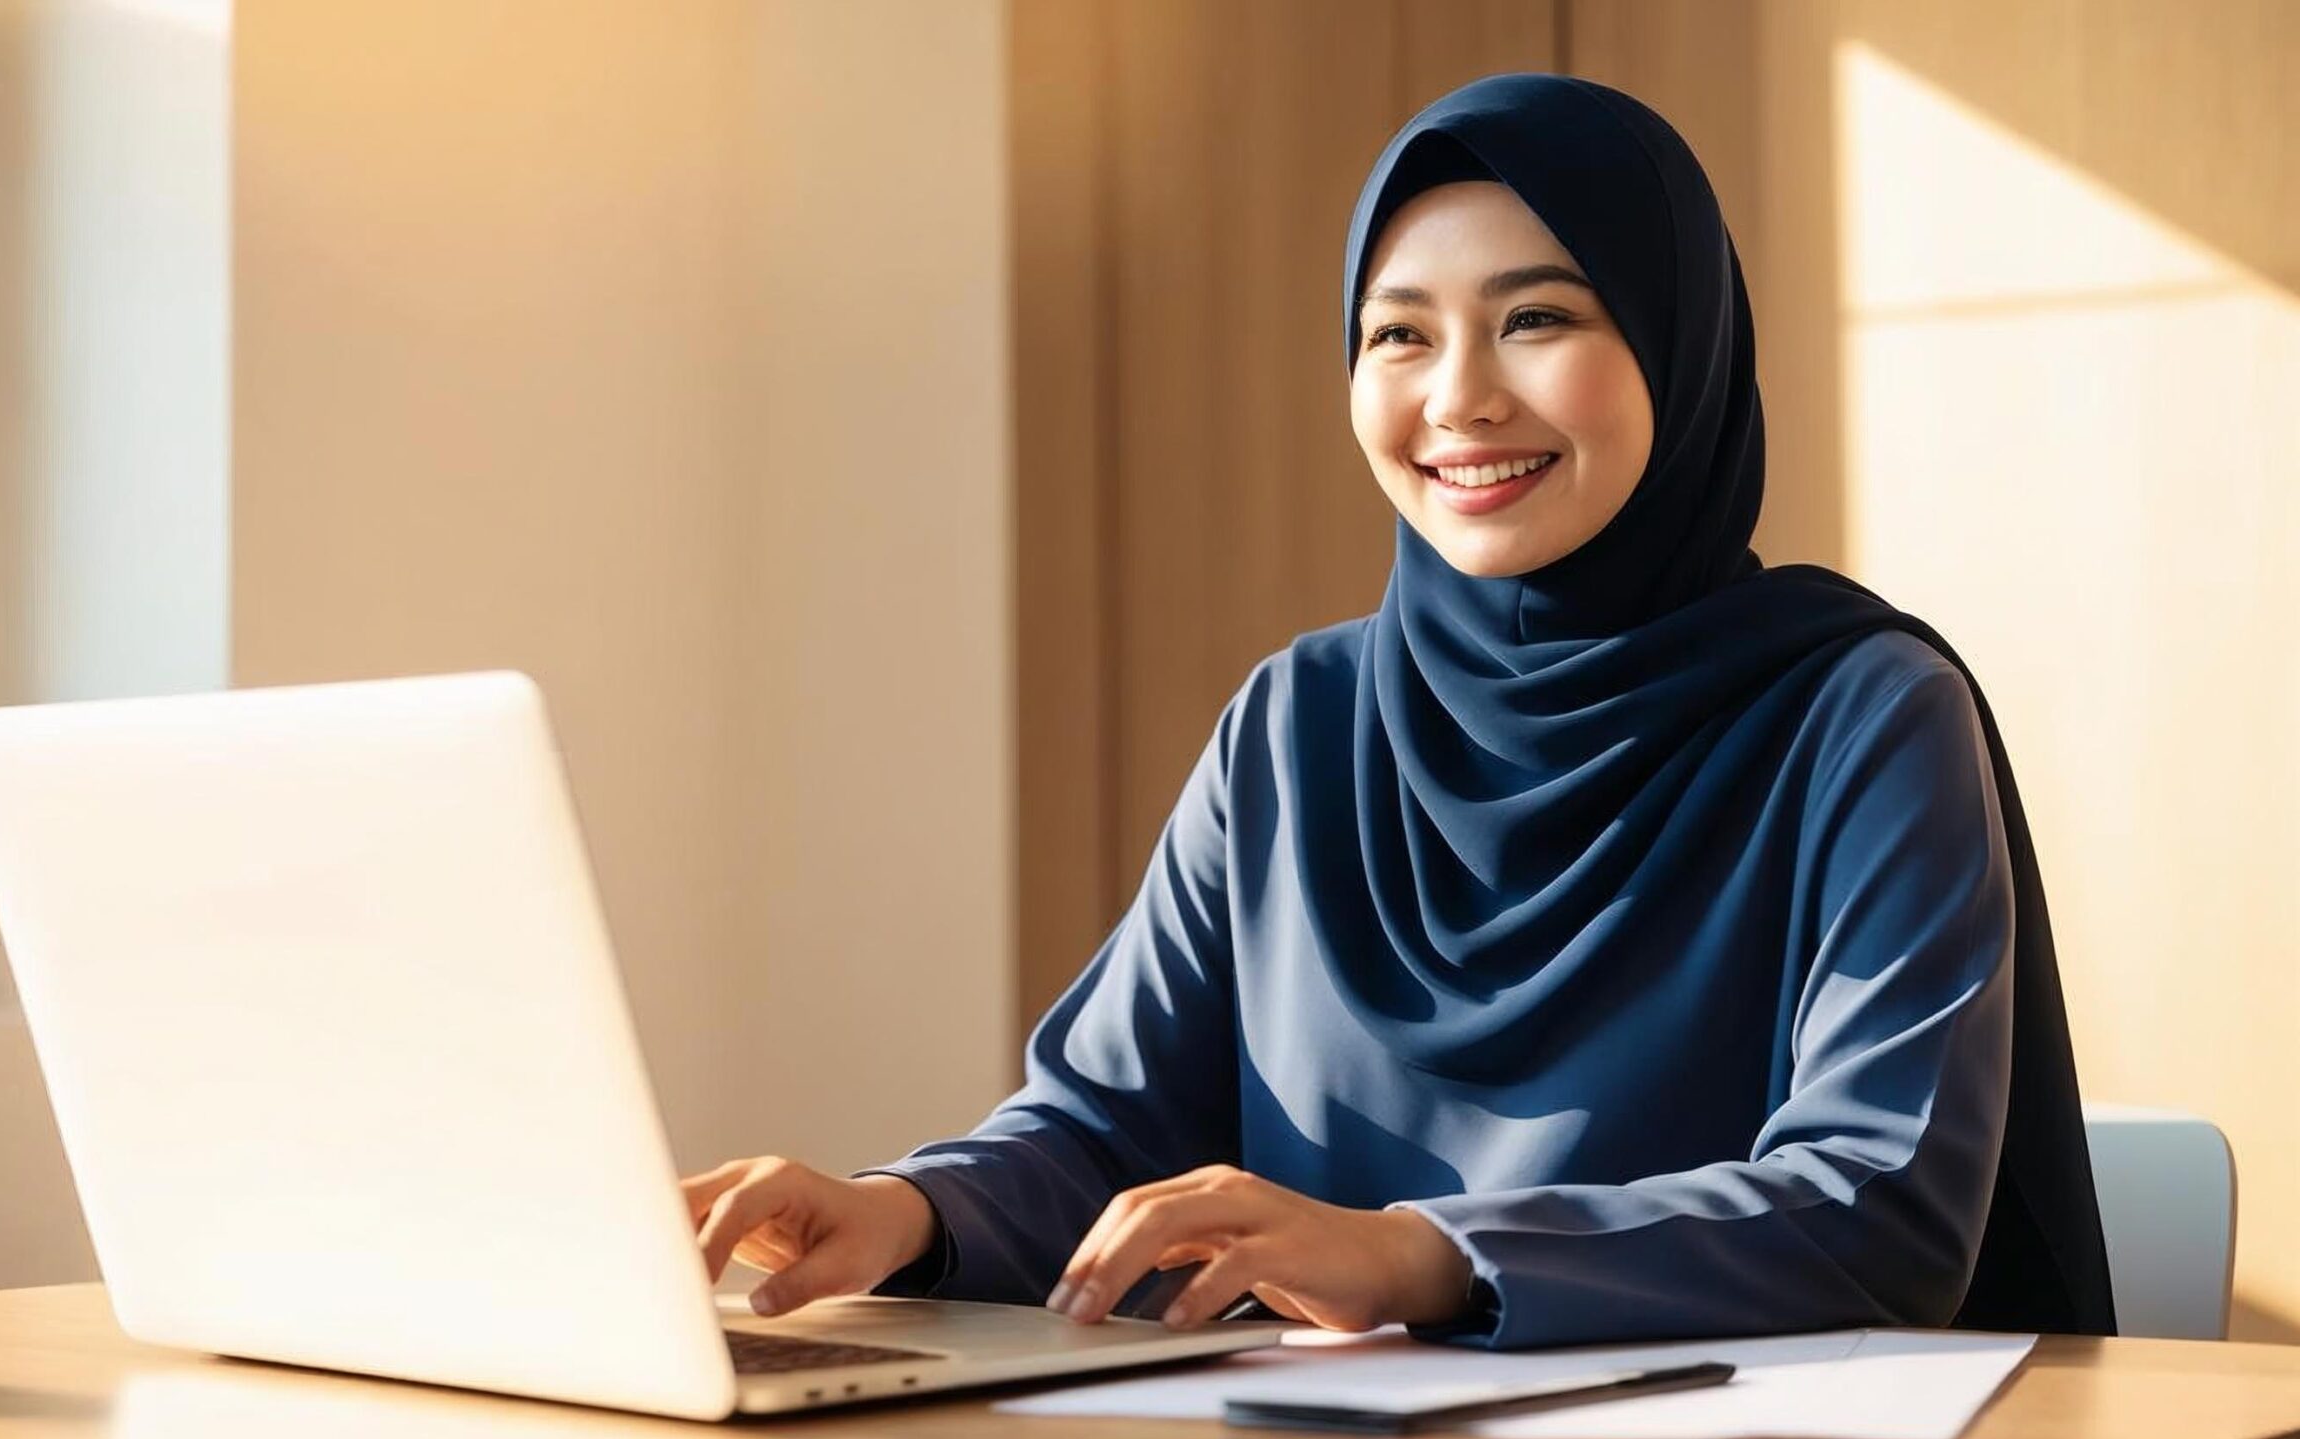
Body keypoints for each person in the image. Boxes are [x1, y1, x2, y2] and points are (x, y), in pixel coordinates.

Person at [678, 73, 2117, 1350]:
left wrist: (1420, 1254)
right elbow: (1106, 1125)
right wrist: (903, 1212)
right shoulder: (1295, 727)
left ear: (1678, 349)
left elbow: (1877, 1196)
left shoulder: (1861, 716)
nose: (1461, 399)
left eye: (1537, 318)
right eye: (1399, 335)